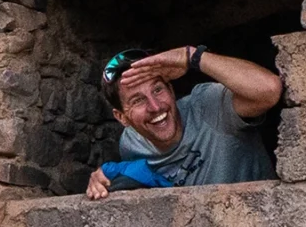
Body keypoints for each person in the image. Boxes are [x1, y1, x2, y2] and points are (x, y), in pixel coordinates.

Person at [85, 42, 282, 197]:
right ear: (122, 118)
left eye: (158, 90)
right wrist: (102, 177)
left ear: (171, 90)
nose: (155, 107)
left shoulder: (208, 105)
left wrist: (192, 56)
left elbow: (270, 91)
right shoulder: (131, 144)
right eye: (138, 100)